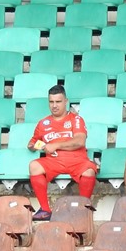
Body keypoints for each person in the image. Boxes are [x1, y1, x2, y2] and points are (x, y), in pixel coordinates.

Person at [27, 84, 98, 221]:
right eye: (51, 102)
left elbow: (80, 141)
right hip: (53, 161)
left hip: (77, 160)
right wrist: (36, 146)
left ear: (66, 101)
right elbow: (31, 143)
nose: (54, 105)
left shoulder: (76, 119)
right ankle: (45, 210)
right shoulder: (43, 123)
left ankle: (83, 209)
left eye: (58, 101)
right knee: (34, 166)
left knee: (89, 171)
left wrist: (56, 145)